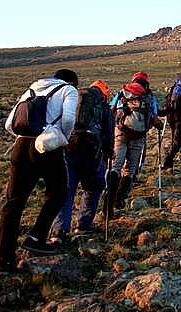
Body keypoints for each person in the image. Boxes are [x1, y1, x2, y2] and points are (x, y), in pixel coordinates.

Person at [0, 69, 79, 275]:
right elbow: (68, 119)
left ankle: (3, 261)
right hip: (47, 145)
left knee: (14, 202)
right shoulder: (68, 90)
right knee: (59, 192)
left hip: (21, 145)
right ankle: (36, 237)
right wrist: (61, 138)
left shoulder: (32, 89)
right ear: (71, 81)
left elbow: (9, 124)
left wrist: (25, 136)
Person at [50, 80, 114, 244]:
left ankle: (58, 230)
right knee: (93, 187)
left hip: (68, 149)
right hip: (91, 153)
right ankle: (83, 226)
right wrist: (109, 152)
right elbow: (108, 132)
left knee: (66, 189)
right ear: (104, 94)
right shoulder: (103, 107)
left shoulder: (72, 100)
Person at [106, 72, 162, 218]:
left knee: (115, 166)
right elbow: (154, 116)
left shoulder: (122, 92)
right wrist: (157, 125)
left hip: (120, 131)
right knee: (131, 169)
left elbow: (111, 109)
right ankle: (120, 197)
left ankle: (108, 202)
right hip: (138, 135)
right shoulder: (149, 96)